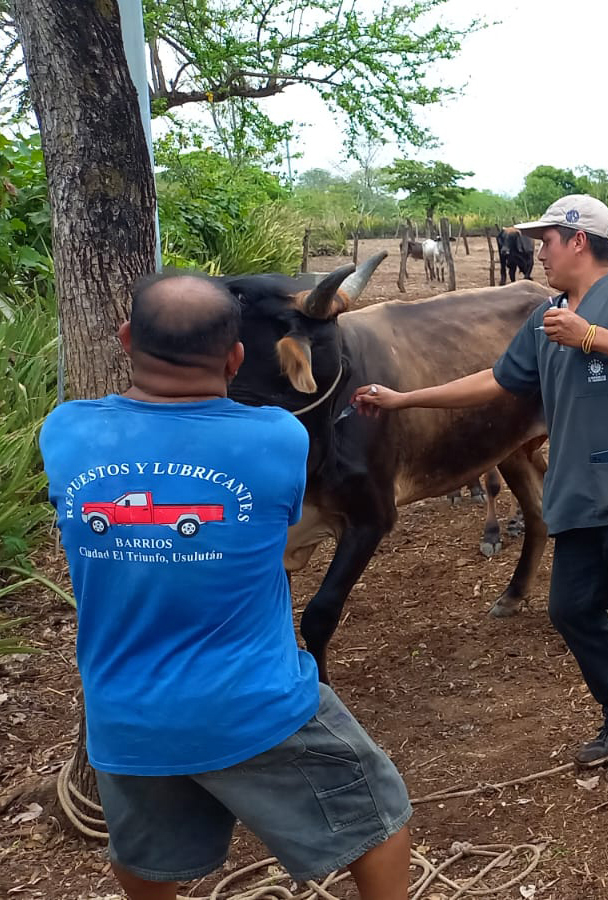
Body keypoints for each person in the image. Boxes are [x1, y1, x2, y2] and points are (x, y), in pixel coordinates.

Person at [39, 274, 412, 900]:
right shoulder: (278, 436)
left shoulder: (66, 431)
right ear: (236, 358)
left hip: (122, 711)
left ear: (126, 339)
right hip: (254, 706)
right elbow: (287, 520)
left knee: (142, 856)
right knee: (382, 821)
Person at [352, 194, 608, 783]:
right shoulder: (547, 317)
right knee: (570, 609)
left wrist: (591, 336)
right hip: (581, 494)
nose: (538, 253)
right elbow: (496, 380)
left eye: (546, 241)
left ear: (579, 241)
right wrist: (405, 398)